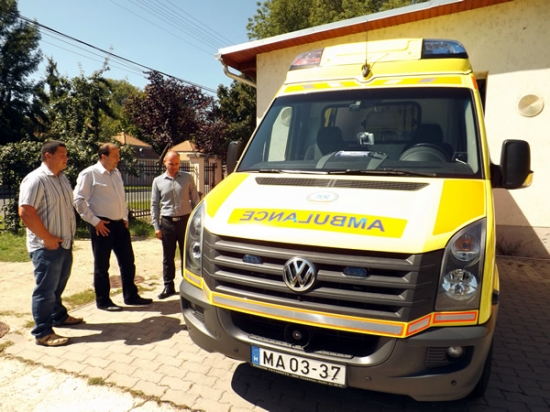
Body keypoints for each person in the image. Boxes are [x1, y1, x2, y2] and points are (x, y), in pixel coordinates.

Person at [73, 143, 152, 311]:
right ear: (104, 156)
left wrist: (124, 216)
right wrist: (95, 221)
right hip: (102, 225)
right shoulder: (89, 174)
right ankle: (103, 301)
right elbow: (78, 200)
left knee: (128, 262)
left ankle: (131, 296)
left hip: (119, 225)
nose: (119, 159)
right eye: (115, 155)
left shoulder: (116, 173)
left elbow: (121, 197)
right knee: (102, 266)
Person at [18, 140, 81, 347]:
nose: (66, 158)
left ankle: (58, 316)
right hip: (46, 247)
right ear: (48, 156)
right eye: (62, 154)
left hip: (63, 244)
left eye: (66, 154)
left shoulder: (62, 178)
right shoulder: (36, 179)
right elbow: (26, 212)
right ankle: (42, 333)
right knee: (45, 291)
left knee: (57, 286)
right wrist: (47, 237)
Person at [151, 151, 199, 299]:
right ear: (165, 162)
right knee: (168, 256)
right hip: (167, 223)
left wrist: (196, 223)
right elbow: (154, 205)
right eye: (171, 164)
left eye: (177, 164)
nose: (174, 167)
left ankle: (189, 285)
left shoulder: (187, 178)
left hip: (185, 222)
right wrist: (156, 227)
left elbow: (195, 201)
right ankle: (168, 286)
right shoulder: (158, 181)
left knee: (188, 255)